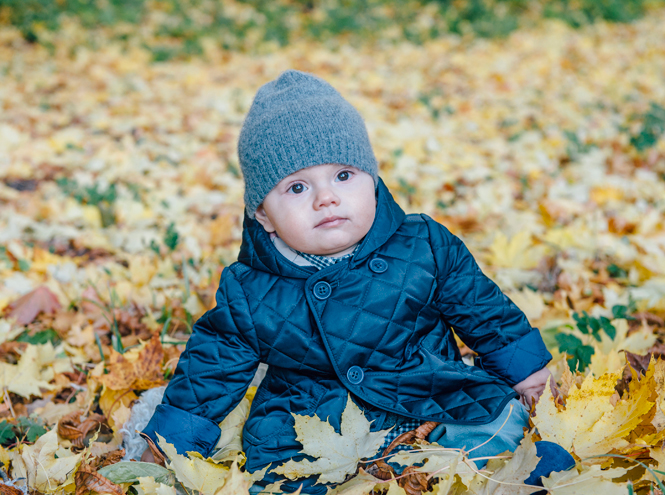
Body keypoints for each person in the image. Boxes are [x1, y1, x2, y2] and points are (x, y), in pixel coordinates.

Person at [141, 70, 573, 493]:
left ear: (373, 180)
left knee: (497, 422)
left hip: (427, 393)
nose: (325, 197)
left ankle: (510, 478)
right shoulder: (250, 289)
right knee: (290, 478)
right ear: (263, 215)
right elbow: (211, 369)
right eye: (296, 188)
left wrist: (529, 375)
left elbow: (484, 312)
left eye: (343, 176)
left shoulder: (423, 244)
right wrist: (167, 443)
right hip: (316, 420)